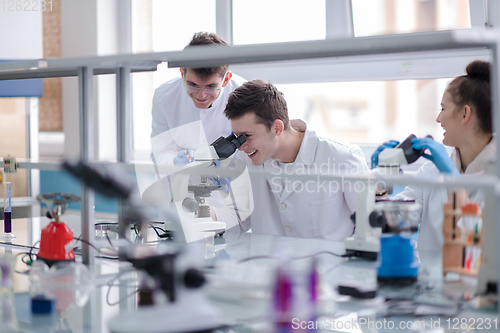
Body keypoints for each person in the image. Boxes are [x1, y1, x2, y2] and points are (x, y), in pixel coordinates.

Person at [223, 80, 370, 241]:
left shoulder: (342, 157)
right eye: (237, 137)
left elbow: (369, 226)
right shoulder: (248, 158)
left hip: (330, 264)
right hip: (268, 264)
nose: (240, 146)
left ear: (277, 128)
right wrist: (208, 215)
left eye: (247, 136)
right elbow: (237, 219)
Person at [371, 60, 495, 251]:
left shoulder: (494, 178)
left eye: (443, 109)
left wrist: (451, 179)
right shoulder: (431, 170)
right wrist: (377, 183)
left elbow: (471, 243)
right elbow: (395, 221)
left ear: (465, 114)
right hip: (428, 279)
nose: (438, 119)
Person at [151, 32, 246, 170]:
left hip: (233, 183)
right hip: (181, 183)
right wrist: (175, 161)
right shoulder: (164, 97)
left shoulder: (246, 96)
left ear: (225, 80)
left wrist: (233, 166)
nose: (201, 95)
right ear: (182, 74)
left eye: (211, 86)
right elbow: (160, 151)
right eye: (193, 85)